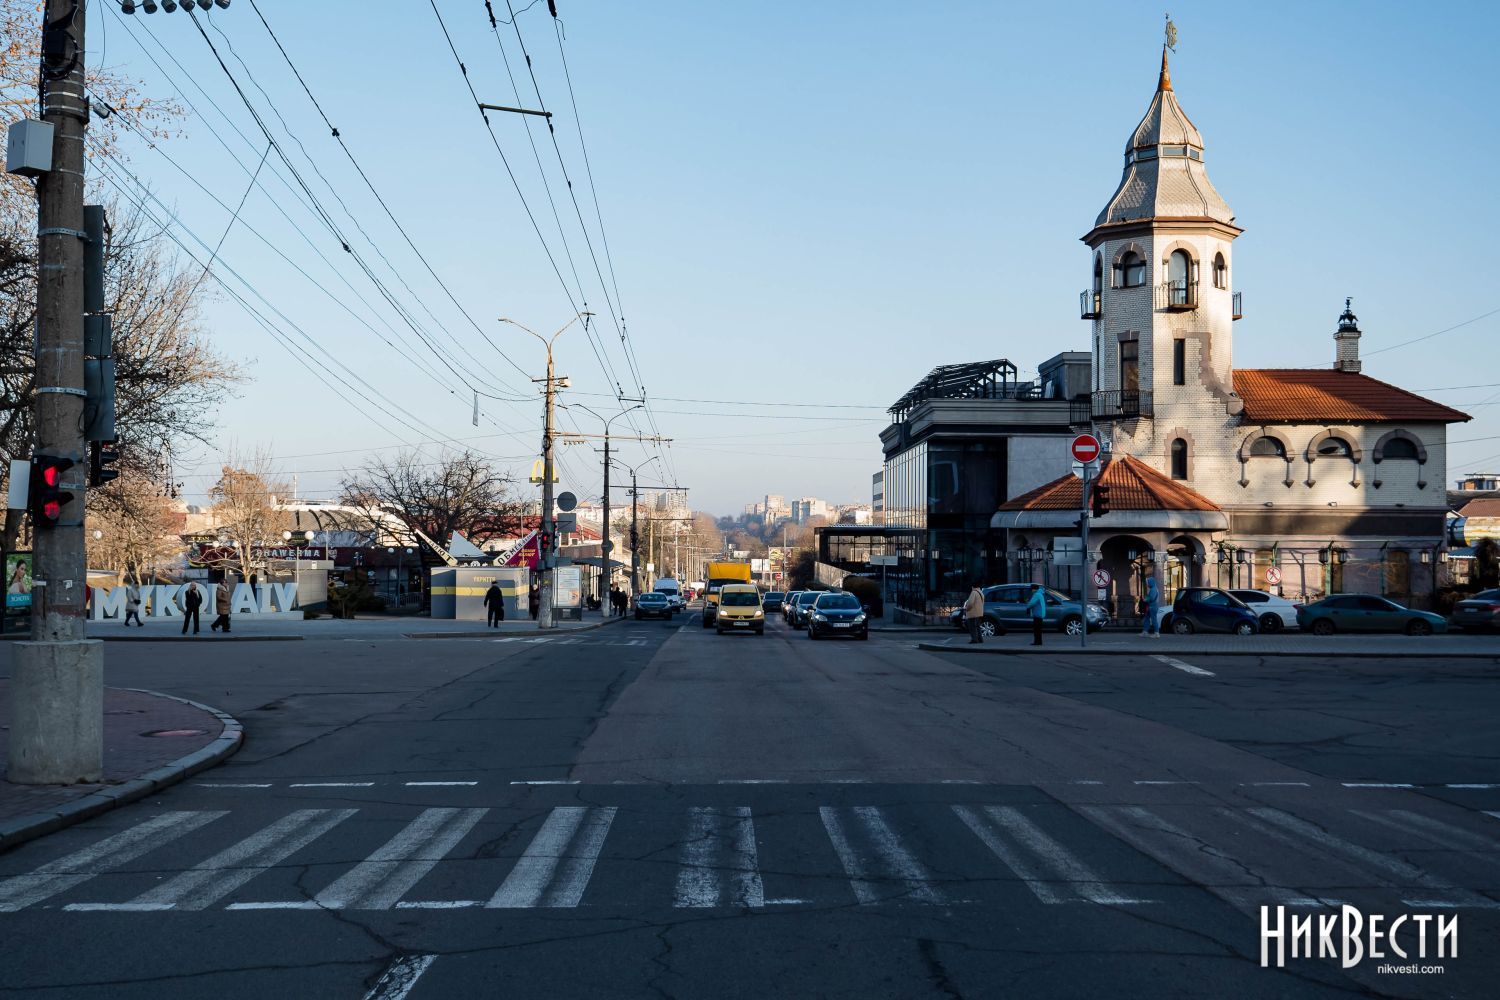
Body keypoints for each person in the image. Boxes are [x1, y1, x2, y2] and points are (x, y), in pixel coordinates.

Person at [1141, 573, 1161, 638]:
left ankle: (1156, 633)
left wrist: (1145, 599)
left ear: (1150, 583)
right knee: (1147, 619)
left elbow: (1151, 598)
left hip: (1152, 607)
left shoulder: (1153, 589)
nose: (1147, 584)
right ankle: (1145, 632)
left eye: (1148, 582)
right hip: (1152, 607)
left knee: (1153, 619)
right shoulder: (1154, 588)